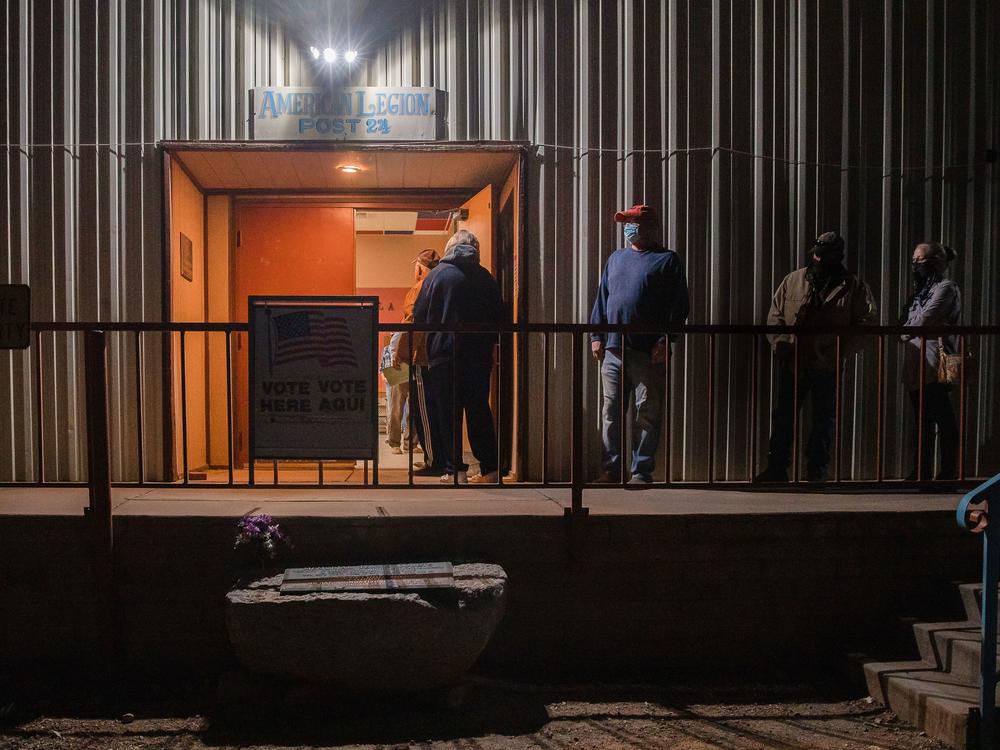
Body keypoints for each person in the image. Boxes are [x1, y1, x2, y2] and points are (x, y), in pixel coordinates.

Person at [755, 231, 877, 483]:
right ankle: (777, 469)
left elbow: (866, 323)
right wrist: (783, 346)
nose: (819, 260)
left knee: (823, 420)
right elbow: (775, 316)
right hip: (794, 361)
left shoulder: (852, 285)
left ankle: (816, 472)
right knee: (784, 418)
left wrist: (840, 351)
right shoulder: (794, 280)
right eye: (817, 254)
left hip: (827, 364)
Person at [589, 204, 690, 484]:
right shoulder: (616, 259)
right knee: (611, 412)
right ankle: (612, 469)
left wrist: (666, 339)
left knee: (647, 412)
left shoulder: (666, 260)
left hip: (647, 352)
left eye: (631, 224)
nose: (627, 229)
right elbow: (602, 298)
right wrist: (596, 336)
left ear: (649, 227)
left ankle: (641, 470)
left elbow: (678, 305)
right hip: (614, 349)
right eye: (625, 224)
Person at [412, 229, 505, 484]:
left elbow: (419, 314)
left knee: (448, 413)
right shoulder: (486, 277)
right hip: (478, 356)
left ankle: (456, 471)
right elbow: (500, 317)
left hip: (444, 355)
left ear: (450, 247)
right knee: (479, 412)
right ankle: (491, 470)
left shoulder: (437, 276)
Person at [901, 242, 961, 481]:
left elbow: (924, 319)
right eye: (914, 260)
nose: (916, 265)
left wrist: (905, 330)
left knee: (944, 417)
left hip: (940, 359)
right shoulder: (922, 290)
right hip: (919, 361)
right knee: (922, 420)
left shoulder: (946, 288)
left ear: (936, 262)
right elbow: (907, 318)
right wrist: (908, 327)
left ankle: (948, 472)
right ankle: (921, 471)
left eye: (920, 260)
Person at [391, 248, 442, 476]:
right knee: (428, 408)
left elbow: (411, 322)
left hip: (419, 355)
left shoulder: (419, 289)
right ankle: (422, 450)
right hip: (438, 355)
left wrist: (399, 354)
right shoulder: (440, 285)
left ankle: (432, 459)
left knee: (417, 407)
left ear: (420, 269)